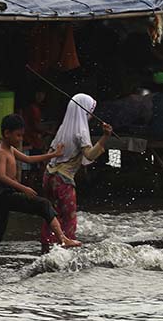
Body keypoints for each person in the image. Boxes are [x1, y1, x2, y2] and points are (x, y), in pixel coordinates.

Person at [0, 114, 79, 271]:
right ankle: (62, 238)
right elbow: (1, 176)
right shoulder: (1, 152)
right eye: (18, 135)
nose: (20, 138)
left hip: (4, 195)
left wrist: (52, 155)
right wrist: (23, 188)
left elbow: (29, 160)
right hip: (2, 194)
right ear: (7, 133)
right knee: (43, 204)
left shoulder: (11, 149)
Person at [38, 94, 111, 252]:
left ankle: (46, 248)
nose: (91, 115)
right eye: (90, 111)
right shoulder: (81, 132)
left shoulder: (62, 129)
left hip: (48, 177)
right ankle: (66, 251)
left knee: (50, 215)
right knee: (69, 219)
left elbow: (51, 152)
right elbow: (90, 155)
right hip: (63, 181)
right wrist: (105, 137)